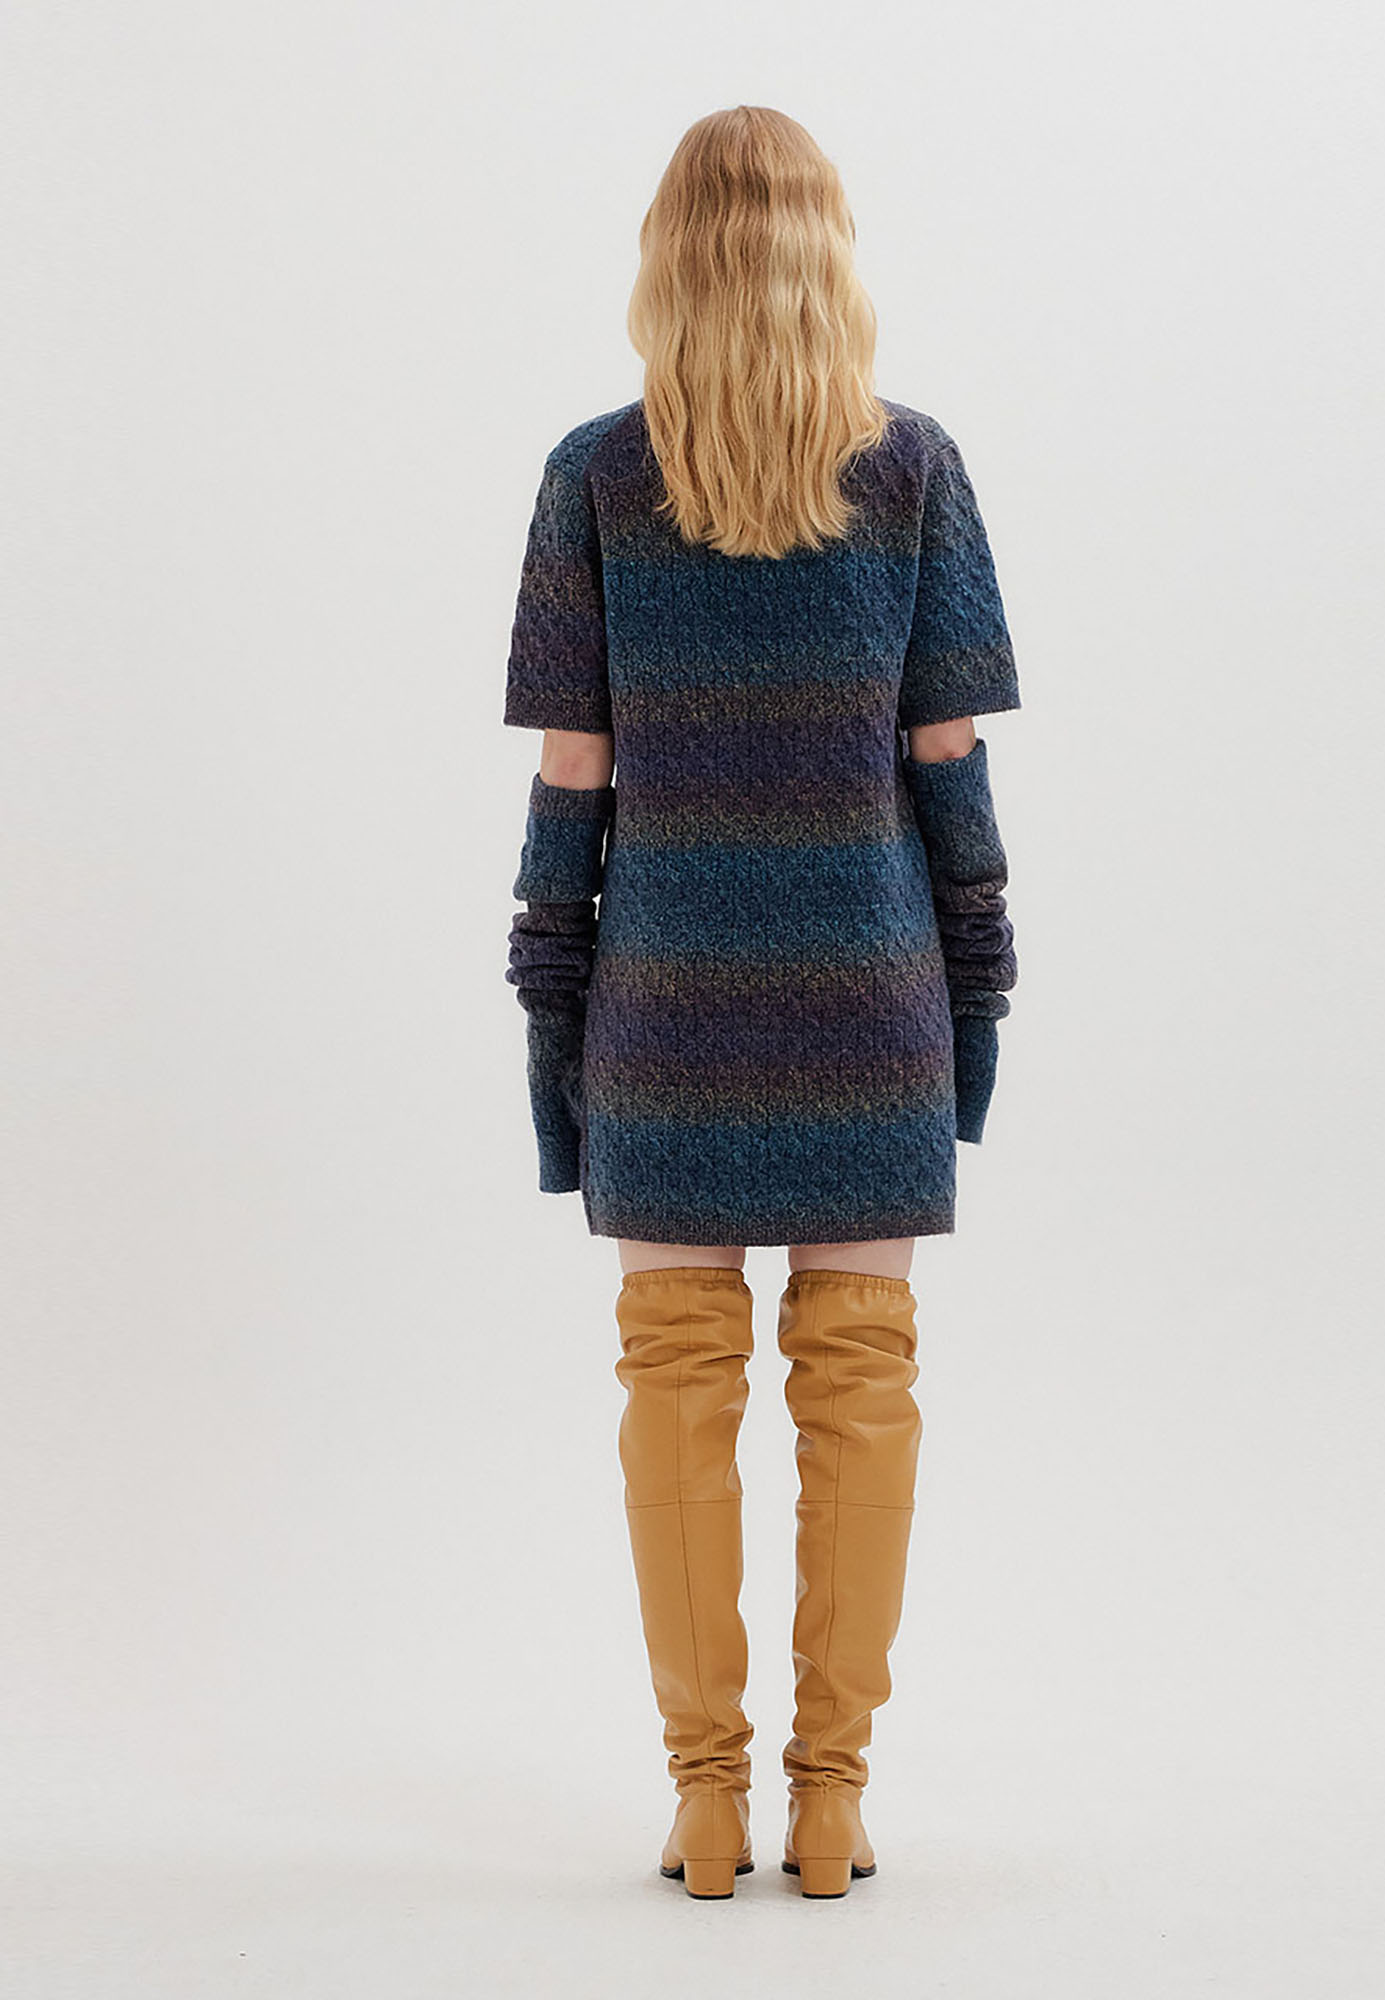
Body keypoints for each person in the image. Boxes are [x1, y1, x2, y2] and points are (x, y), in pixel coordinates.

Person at [503, 105, 1020, 1901]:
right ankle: (833, 1800)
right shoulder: (915, 467)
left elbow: (570, 792)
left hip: (664, 994)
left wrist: (553, 1037)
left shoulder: (592, 475)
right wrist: (977, 1005)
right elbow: (950, 771)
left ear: (669, 258)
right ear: (827, 252)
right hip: (872, 987)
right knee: (862, 1380)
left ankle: (707, 1800)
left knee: (674, 1376)